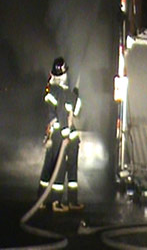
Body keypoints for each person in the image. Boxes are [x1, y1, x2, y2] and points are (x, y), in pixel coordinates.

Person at [37, 57, 73, 212]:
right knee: (59, 167)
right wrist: (66, 135)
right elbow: (62, 114)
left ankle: (42, 199)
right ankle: (56, 202)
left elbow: (49, 112)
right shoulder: (61, 92)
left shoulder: (51, 89)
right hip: (58, 134)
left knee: (48, 166)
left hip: (51, 133)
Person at [62, 86, 84, 210]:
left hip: (64, 139)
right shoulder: (73, 99)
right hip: (70, 140)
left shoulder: (60, 97)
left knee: (63, 170)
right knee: (70, 170)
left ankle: (57, 200)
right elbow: (77, 114)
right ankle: (72, 200)